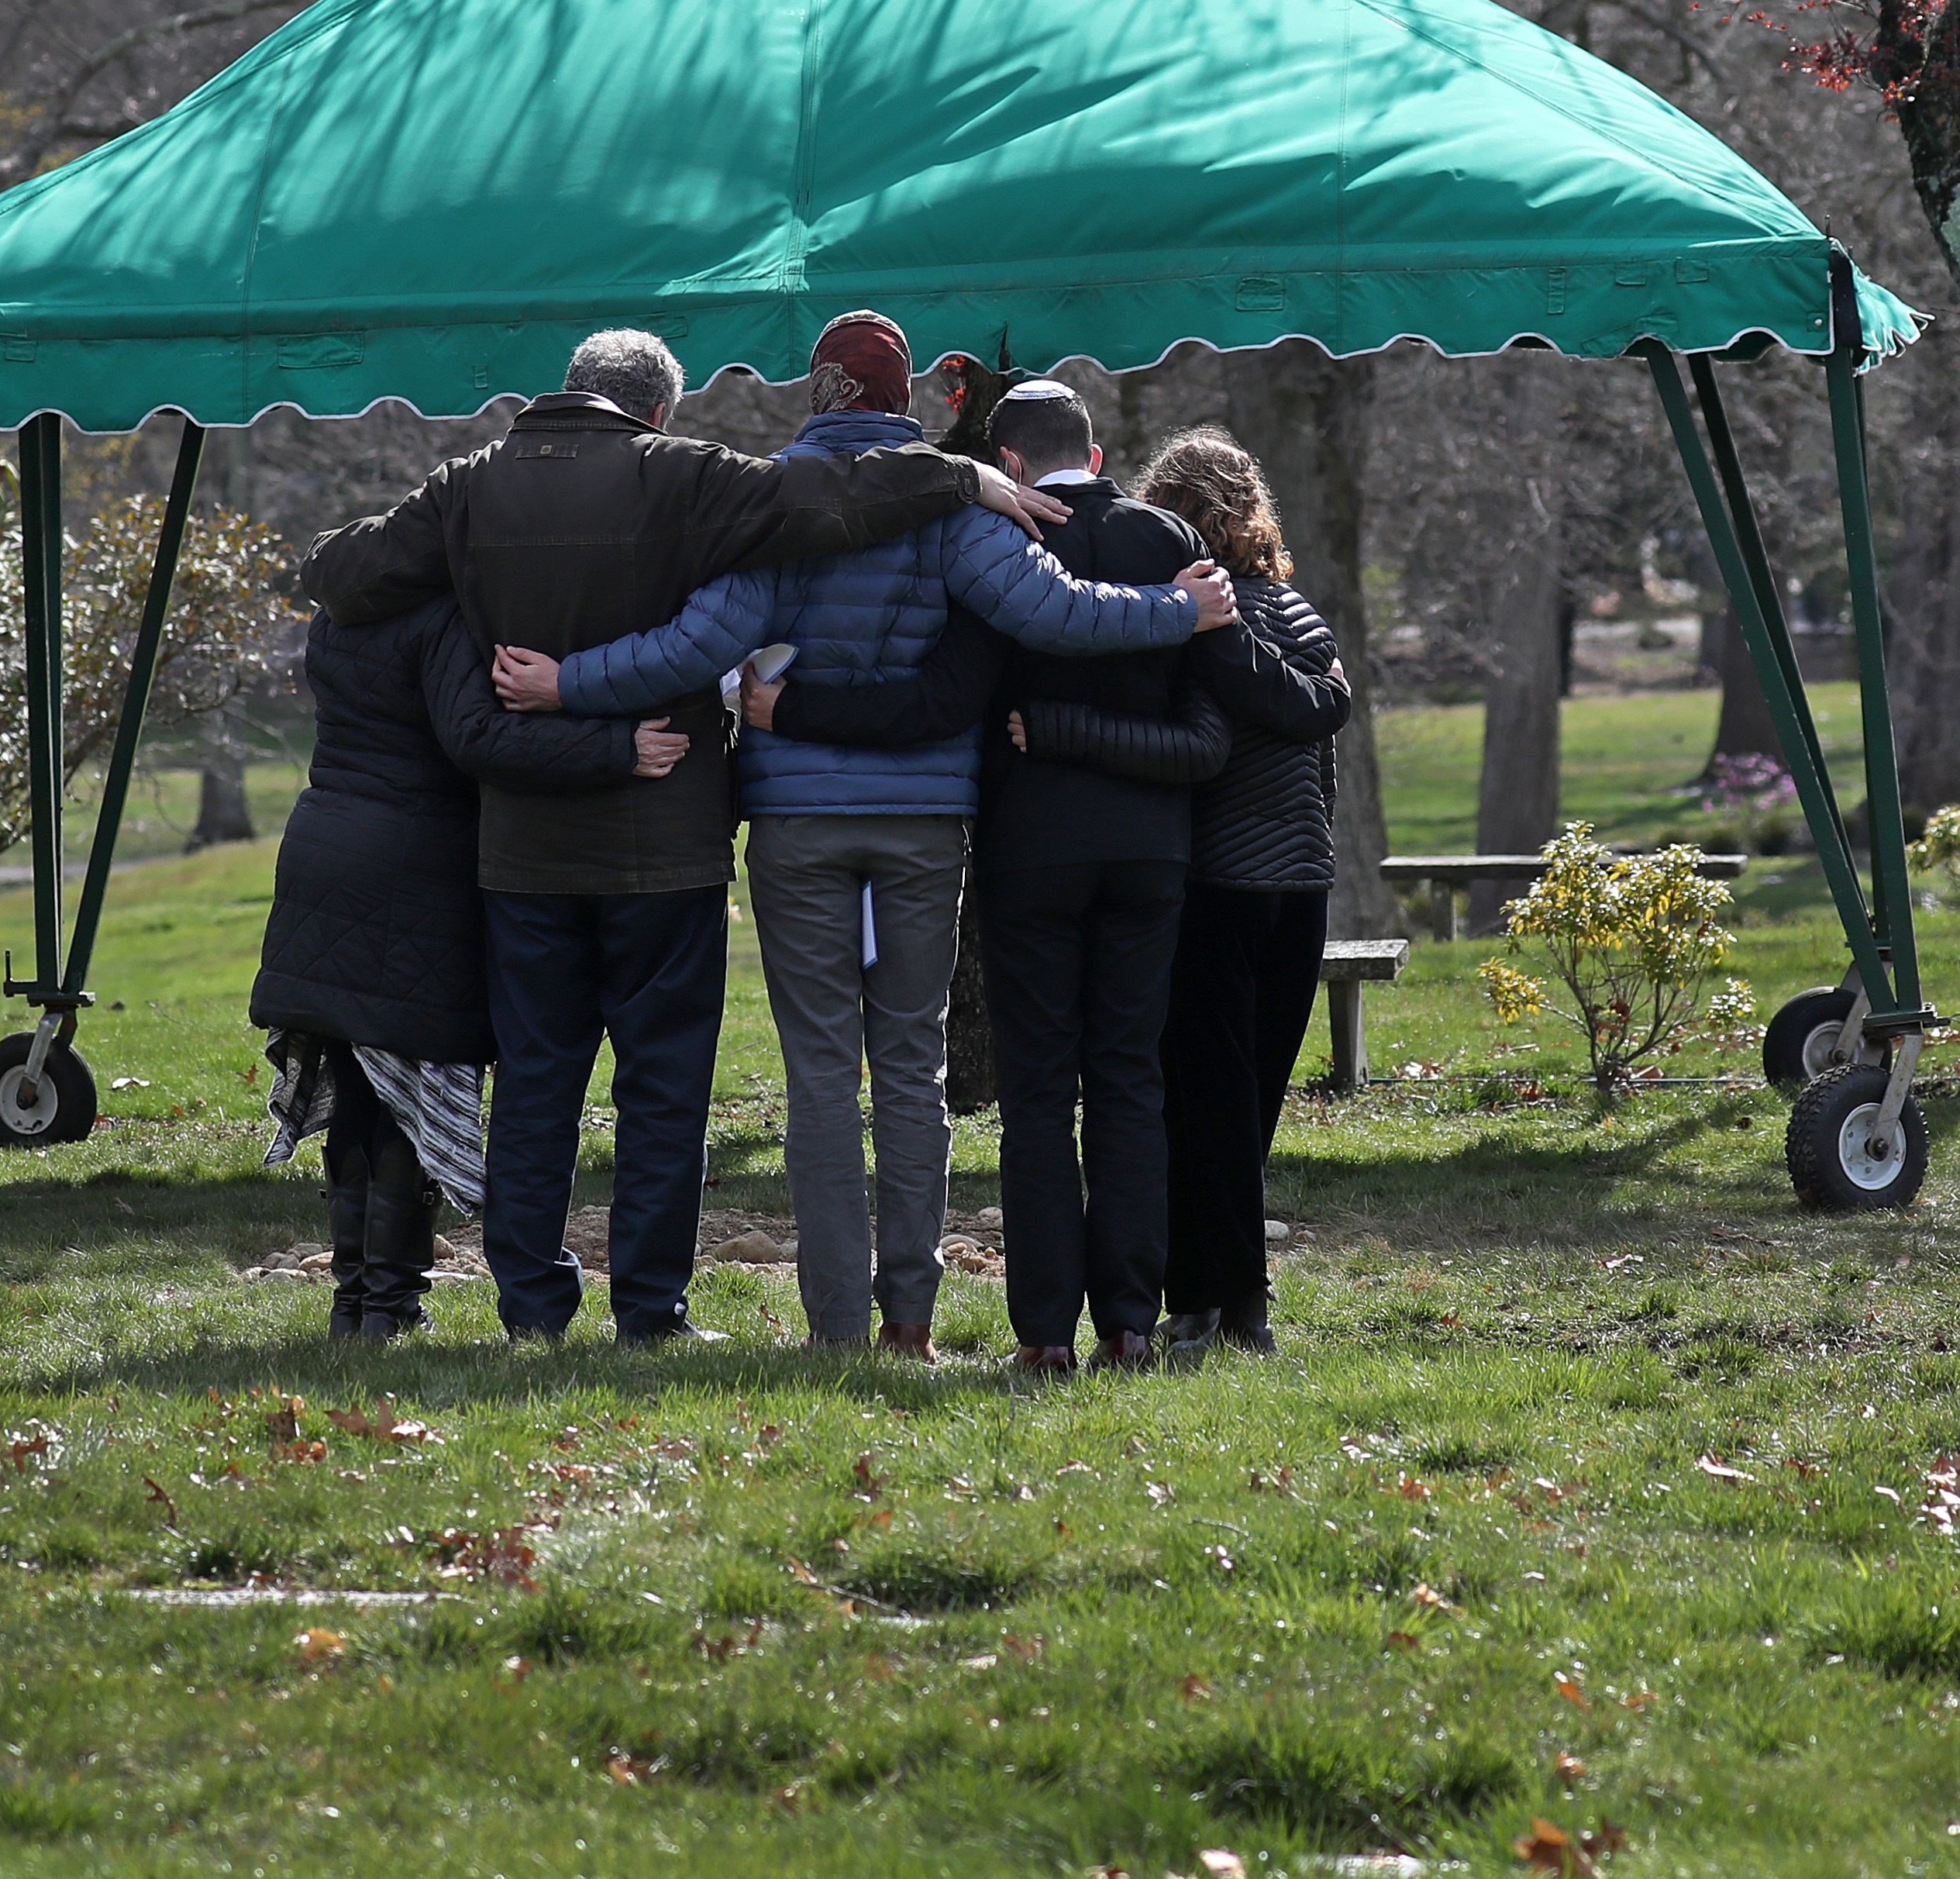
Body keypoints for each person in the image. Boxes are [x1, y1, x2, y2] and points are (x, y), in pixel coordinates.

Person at [298, 327, 1075, 1346]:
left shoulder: (469, 485)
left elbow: (345, 570)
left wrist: (431, 569)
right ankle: (651, 1311)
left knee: (537, 1084)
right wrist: (959, 472)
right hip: (665, 842)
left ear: (569, 390)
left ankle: (532, 1308)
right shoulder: (685, 475)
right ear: (658, 409)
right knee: (662, 1089)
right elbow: (827, 498)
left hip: (524, 845)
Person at [499, 312, 1228, 1359]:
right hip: (926, 823)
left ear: (817, 395)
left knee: (821, 1075)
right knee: (911, 1062)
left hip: (798, 823)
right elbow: (1056, 612)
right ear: (902, 401)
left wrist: (569, 682)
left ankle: (836, 1329)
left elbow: (696, 642)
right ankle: (912, 1323)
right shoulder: (952, 501)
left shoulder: (771, 501)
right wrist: (1174, 610)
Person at [247, 595, 677, 1339]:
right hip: (411, 869)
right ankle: (387, 1307)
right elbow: (476, 738)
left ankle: (355, 1307)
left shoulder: (340, 611)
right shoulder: (440, 618)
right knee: (406, 1098)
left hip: (325, 847)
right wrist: (616, 750)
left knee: (360, 1086)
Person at [1039, 428, 1355, 1361]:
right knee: (1247, 1102)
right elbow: (1322, 727)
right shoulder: (1297, 610)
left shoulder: (1201, 623)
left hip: (1221, 880)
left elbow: (1230, 738)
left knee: (1206, 1101)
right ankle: (1211, 1292)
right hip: (1302, 882)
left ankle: (1228, 1305)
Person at [964, 378, 1237, 1375]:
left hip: (1028, 846)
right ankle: (1127, 1317)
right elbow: (1208, 718)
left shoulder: (998, 543)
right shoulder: (1165, 541)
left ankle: (1043, 1332)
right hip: (1147, 845)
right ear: (1102, 449)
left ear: (1011, 466)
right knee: (1128, 1080)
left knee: (1038, 1095)